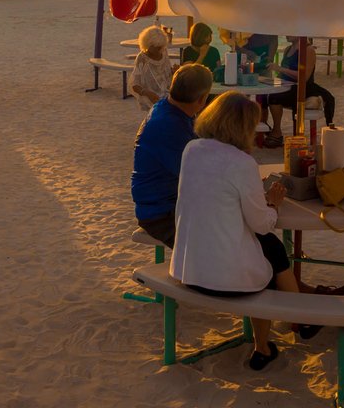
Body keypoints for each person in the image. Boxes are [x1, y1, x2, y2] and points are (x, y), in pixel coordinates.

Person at [170, 91, 321, 371]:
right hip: (226, 280)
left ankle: (297, 322)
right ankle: (272, 338)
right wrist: (273, 204)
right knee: (271, 246)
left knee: (271, 248)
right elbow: (261, 223)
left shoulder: (192, 150)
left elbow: (219, 197)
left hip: (189, 269)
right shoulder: (242, 163)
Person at [130, 63, 214, 247]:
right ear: (202, 99)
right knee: (222, 242)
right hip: (161, 214)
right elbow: (196, 175)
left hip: (168, 203)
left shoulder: (169, 108)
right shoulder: (169, 125)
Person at [266, 36, 335, 142]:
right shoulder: (288, 49)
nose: (286, 34)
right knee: (269, 95)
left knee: (274, 97)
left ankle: (276, 132)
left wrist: (281, 69)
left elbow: (304, 77)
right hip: (286, 85)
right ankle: (275, 129)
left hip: (303, 88)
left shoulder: (308, 50)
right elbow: (283, 72)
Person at [129, 26, 175, 113]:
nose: (160, 50)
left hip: (167, 93)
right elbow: (135, 85)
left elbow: (167, 74)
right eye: (157, 47)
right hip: (151, 97)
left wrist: (175, 71)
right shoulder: (142, 58)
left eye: (161, 47)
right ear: (148, 45)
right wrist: (148, 93)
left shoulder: (163, 52)